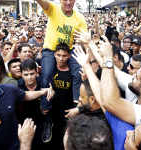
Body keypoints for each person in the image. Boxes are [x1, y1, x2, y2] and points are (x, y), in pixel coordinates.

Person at [34, 1, 87, 143]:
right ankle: (46, 109)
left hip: (69, 50)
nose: (68, 2)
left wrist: (85, 42)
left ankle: (76, 103)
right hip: (51, 50)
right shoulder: (53, 9)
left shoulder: (80, 18)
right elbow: (43, 3)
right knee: (46, 75)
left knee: (78, 73)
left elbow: (83, 38)